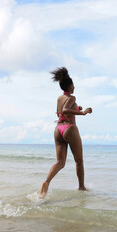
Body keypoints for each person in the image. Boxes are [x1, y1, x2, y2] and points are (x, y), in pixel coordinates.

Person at [39, 67, 92, 198]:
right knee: (79, 161)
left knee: (60, 162)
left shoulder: (59, 98)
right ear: (70, 87)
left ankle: (46, 182)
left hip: (58, 129)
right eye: (73, 85)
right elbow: (65, 110)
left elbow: (63, 110)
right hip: (69, 128)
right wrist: (82, 112)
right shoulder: (72, 97)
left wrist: (76, 108)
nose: (74, 87)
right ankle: (81, 187)